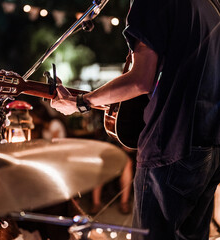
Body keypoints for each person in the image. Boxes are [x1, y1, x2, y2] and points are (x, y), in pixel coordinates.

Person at [50, 0, 220, 239]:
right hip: (210, 147)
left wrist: (81, 102)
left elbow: (140, 80)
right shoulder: (209, 5)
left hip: (171, 144)